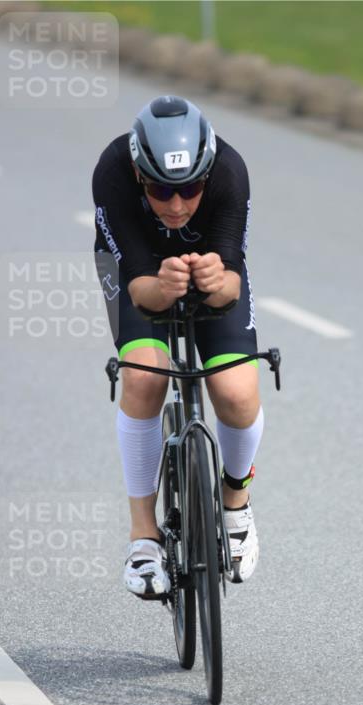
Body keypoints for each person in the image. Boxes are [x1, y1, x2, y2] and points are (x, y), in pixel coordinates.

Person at [92, 95, 263, 596]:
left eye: (189, 188)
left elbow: (231, 283)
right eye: (161, 190)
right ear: (140, 174)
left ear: (206, 173)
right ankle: (142, 535)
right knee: (144, 377)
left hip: (211, 266)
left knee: (234, 392)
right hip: (137, 267)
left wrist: (217, 278)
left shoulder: (230, 170)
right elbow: (140, 288)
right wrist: (159, 285)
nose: (176, 204)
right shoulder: (113, 172)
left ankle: (236, 506)